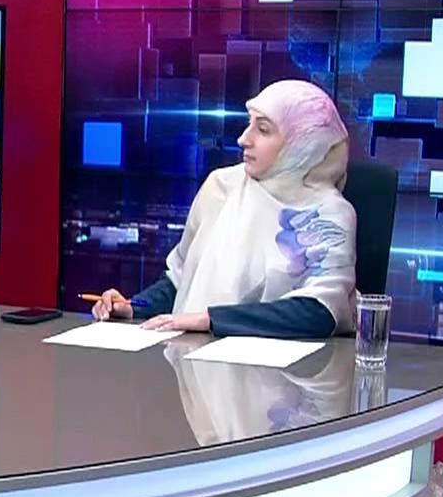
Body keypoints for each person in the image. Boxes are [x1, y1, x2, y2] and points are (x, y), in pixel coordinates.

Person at [91, 79, 356, 338]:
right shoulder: (221, 186)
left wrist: (211, 320)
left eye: (263, 130)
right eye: (249, 124)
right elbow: (180, 279)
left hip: (283, 365)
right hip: (190, 355)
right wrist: (134, 307)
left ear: (302, 146)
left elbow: (321, 311)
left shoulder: (330, 213)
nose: (244, 139)